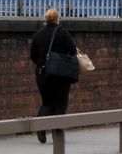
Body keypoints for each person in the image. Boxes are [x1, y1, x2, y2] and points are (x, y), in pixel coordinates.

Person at [30, 8, 77, 144]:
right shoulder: (62, 33)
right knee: (60, 103)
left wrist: (43, 64)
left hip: (42, 73)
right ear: (58, 19)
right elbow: (72, 51)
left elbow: (33, 55)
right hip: (60, 74)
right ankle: (57, 135)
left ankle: (41, 128)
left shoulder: (38, 34)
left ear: (46, 19)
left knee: (47, 102)